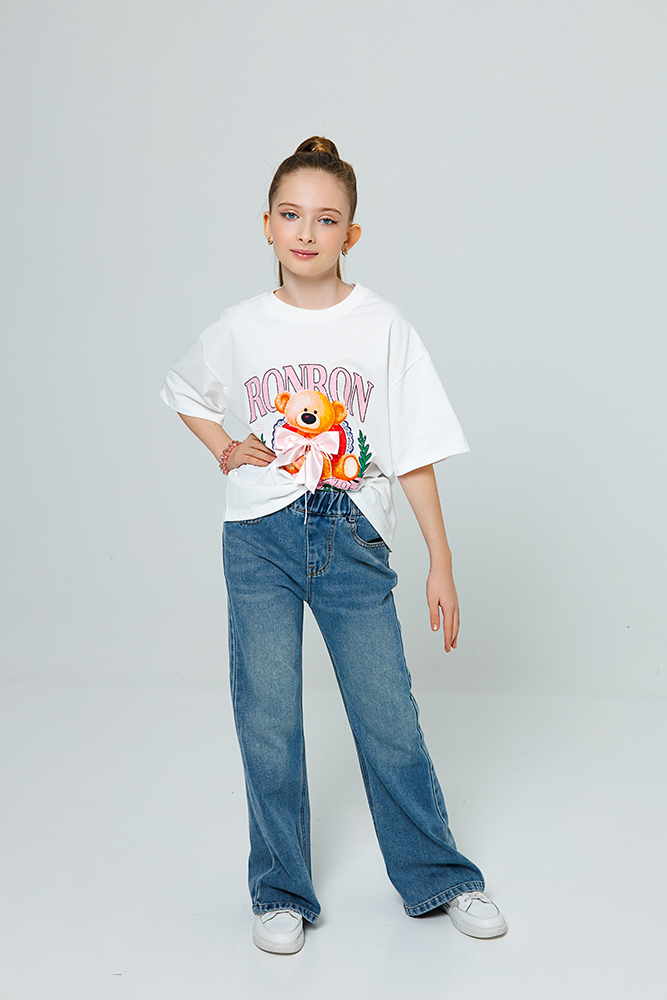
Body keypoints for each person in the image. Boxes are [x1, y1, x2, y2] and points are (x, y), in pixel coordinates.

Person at [160, 136, 507, 955]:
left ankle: (439, 876)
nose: (306, 232)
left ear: (350, 233)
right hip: (259, 538)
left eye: (325, 219)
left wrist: (441, 562)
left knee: (388, 717)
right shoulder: (242, 326)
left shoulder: (381, 325)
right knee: (268, 720)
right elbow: (184, 389)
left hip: (351, 535)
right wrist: (225, 446)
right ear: (267, 226)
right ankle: (280, 890)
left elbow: (414, 448)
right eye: (290, 215)